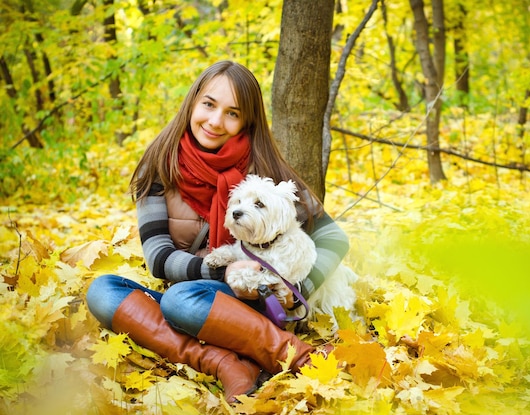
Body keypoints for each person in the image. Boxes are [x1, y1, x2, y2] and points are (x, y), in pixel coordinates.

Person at [86, 61, 349, 403]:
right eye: (209, 105)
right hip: (195, 296)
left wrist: (297, 288)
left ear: (246, 122)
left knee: (181, 299)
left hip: (253, 301)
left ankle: (296, 355)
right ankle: (229, 364)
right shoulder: (160, 166)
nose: (214, 121)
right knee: (103, 291)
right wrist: (223, 269)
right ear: (193, 102)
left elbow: (333, 238)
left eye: (232, 113)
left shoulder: (265, 171)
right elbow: (159, 259)